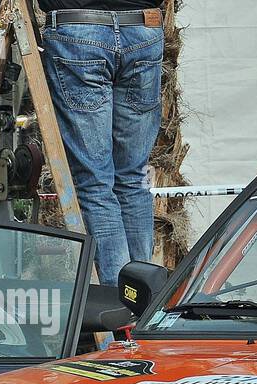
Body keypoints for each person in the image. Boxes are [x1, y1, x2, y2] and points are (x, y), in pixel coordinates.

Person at [38, 1, 165, 285]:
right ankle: (143, 298)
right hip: (142, 27)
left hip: (79, 28)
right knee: (133, 178)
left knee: (96, 182)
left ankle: (121, 302)